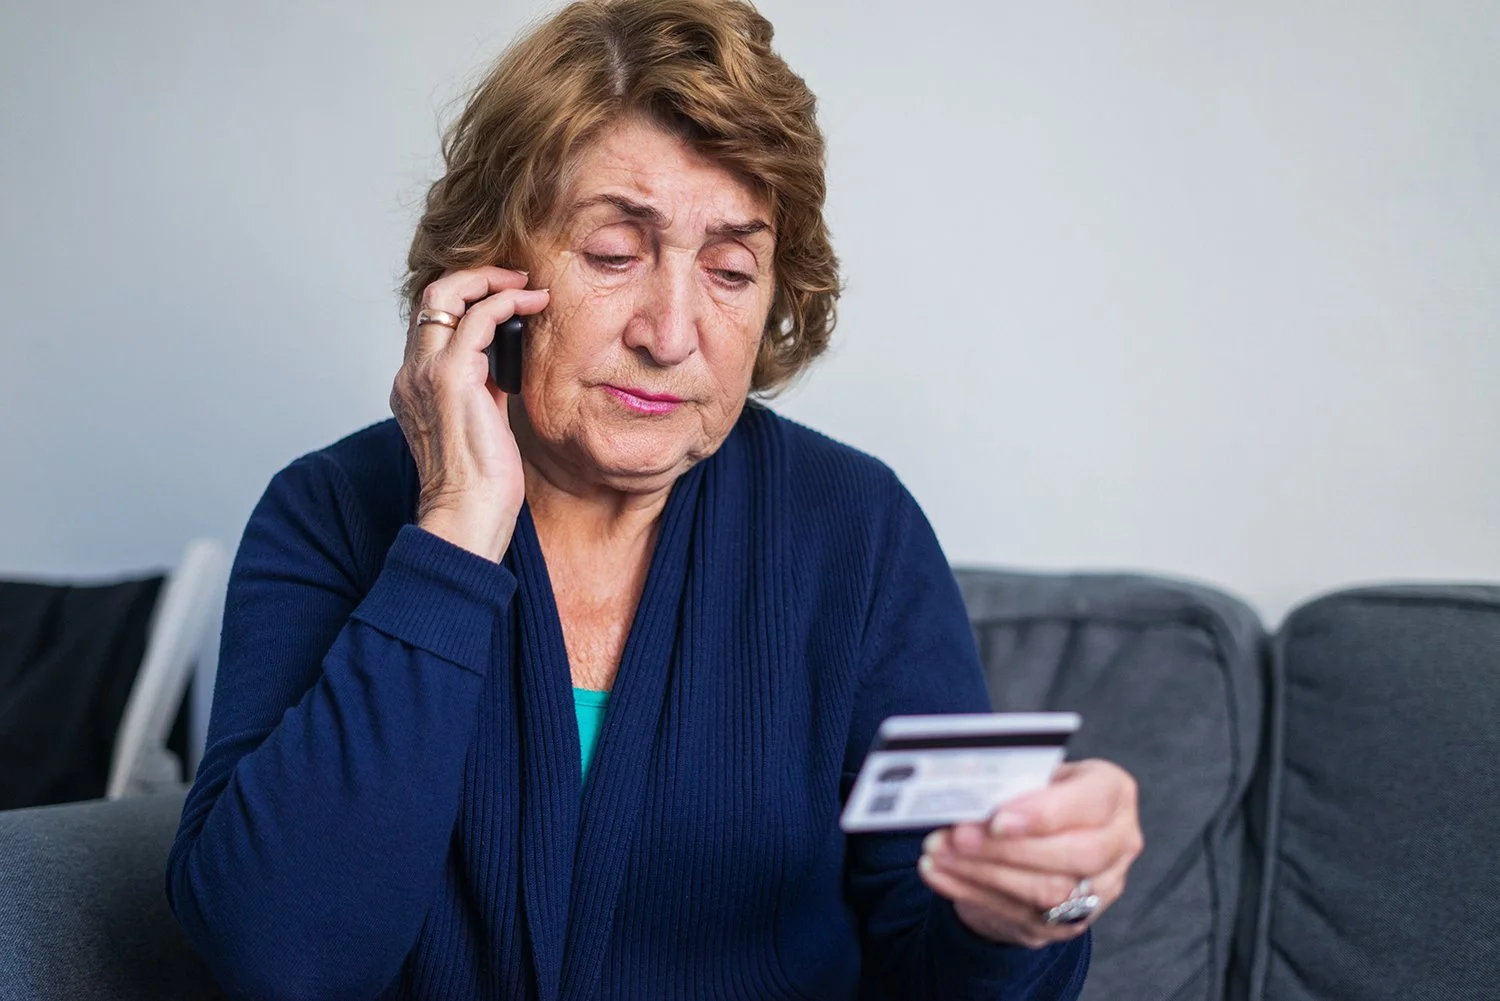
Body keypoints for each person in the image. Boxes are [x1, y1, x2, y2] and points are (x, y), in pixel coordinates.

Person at [166, 1, 1143, 998]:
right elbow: (281, 956)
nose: (671, 332)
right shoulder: (330, 513)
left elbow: (941, 966)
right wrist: (454, 531)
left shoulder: (858, 531)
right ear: (492, 267)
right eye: (613, 253)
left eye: (729, 270)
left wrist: (1022, 909)